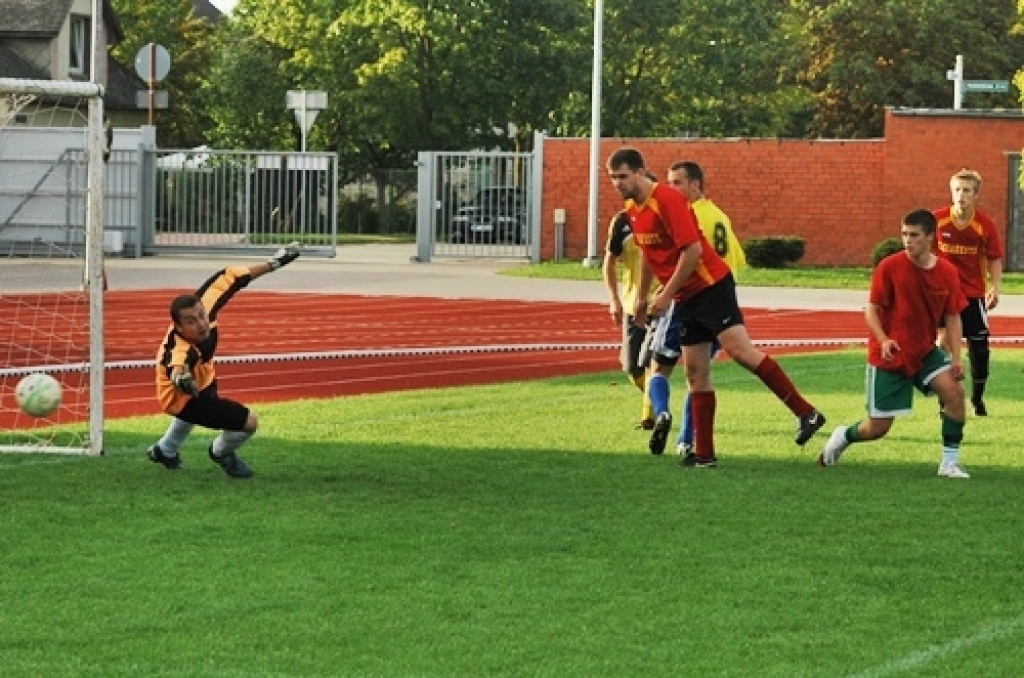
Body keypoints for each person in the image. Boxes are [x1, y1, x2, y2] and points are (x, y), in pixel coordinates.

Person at [606, 147, 826, 466]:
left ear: (640, 171)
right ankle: (705, 455)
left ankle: (806, 412)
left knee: (741, 352)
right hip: (685, 296)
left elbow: (693, 251)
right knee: (695, 373)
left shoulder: (666, 199)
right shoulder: (632, 209)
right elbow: (649, 256)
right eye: (612, 178)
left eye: (622, 176)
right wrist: (641, 297)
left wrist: (665, 294)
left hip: (711, 286)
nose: (617, 183)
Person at [819, 209, 970, 478]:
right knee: (876, 428)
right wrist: (884, 339)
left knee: (955, 393)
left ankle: (949, 463)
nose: (907, 241)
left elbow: (953, 316)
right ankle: (843, 436)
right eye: (904, 234)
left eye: (914, 235)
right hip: (890, 355)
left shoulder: (947, 272)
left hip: (924, 352)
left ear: (930, 237)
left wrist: (957, 358)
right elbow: (871, 310)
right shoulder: (889, 267)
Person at [146, 243, 302, 478]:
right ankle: (221, 452)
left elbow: (231, 277)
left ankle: (164, 450)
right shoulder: (179, 349)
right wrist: (181, 377)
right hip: (179, 398)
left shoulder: (205, 305)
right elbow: (177, 365)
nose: (201, 324)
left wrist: (274, 263)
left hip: (204, 375)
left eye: (201, 316)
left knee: (202, 404)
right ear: (178, 327)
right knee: (248, 423)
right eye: (191, 322)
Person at [665, 160, 747, 456]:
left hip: (696, 300)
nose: (670, 189)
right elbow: (735, 259)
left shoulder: (690, 215)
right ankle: (689, 440)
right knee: (699, 374)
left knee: (676, 369)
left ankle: (682, 436)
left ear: (695, 185)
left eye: (676, 183)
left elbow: (687, 258)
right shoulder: (720, 215)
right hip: (718, 298)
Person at [932, 168, 1004, 416]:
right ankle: (945, 398)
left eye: (967, 191)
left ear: (975, 195)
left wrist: (995, 287)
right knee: (943, 343)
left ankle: (977, 398)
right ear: (951, 192)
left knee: (980, 350)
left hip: (973, 295)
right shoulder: (937, 220)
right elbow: (921, 254)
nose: (961, 195)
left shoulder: (985, 225)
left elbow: (994, 258)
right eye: (957, 190)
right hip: (943, 294)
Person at [603, 208, 656, 430]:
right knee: (633, 369)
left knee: (653, 364)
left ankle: (650, 418)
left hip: (659, 304)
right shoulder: (622, 221)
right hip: (632, 304)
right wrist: (614, 298)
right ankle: (660, 397)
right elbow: (609, 262)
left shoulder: (664, 217)